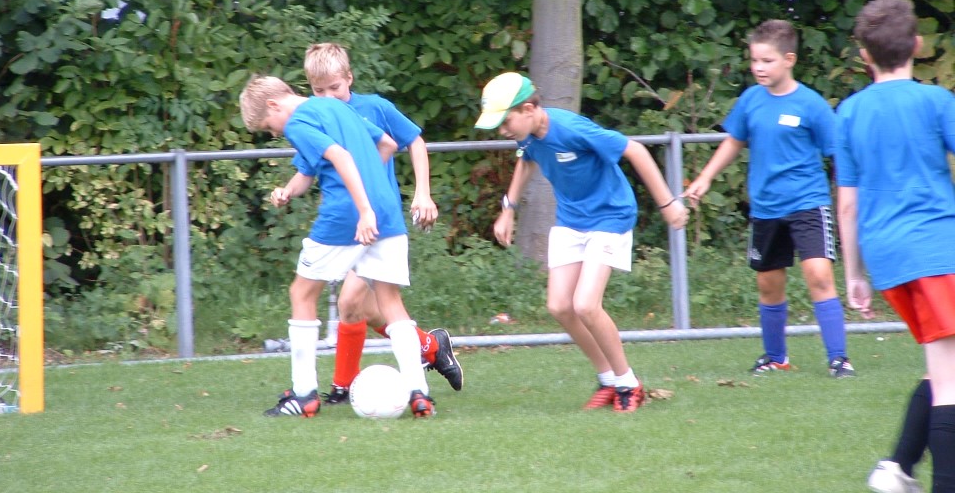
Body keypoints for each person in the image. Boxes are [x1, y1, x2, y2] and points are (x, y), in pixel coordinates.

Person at [475, 72, 689, 412]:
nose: (503, 131)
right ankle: (608, 380)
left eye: (505, 122)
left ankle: (629, 384)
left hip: (610, 217)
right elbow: (526, 162)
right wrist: (508, 209)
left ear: (528, 109)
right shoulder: (527, 136)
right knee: (560, 306)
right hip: (571, 221)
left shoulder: (571, 129)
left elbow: (635, 150)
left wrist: (667, 203)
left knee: (586, 305)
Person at [239, 74, 435, 418]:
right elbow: (388, 144)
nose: (274, 133)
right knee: (390, 302)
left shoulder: (298, 122)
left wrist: (363, 209)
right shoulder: (336, 107)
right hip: (388, 208)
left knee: (302, 293)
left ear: (273, 104)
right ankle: (419, 392)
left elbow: (341, 157)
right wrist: (371, 190)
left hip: (348, 214)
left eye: (268, 127)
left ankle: (304, 395)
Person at [834, 0, 955, 493]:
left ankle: (898, 467)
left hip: (888, 258)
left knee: (942, 367)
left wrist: (853, 275)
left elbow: (848, 203)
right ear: (917, 45)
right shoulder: (935, 102)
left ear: (865, 55)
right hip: (936, 250)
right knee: (950, 381)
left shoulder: (849, 112)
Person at [683, 19, 855, 378]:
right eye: (754, 60)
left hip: (808, 204)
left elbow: (839, 152)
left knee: (819, 275)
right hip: (765, 207)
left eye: (767, 61)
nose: (758, 68)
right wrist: (705, 177)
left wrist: (850, 198)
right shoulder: (750, 99)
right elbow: (734, 140)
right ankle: (776, 358)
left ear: (789, 59)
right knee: (768, 283)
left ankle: (839, 359)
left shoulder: (812, 104)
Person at [300, 43, 463, 404]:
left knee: (352, 301)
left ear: (349, 78)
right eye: (318, 90)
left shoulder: (374, 107)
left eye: (335, 88)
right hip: (347, 224)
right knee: (358, 307)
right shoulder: (316, 116)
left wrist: (423, 193)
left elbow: (415, 141)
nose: (328, 97)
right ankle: (430, 346)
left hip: (379, 223)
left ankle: (344, 386)